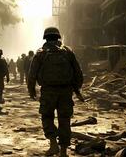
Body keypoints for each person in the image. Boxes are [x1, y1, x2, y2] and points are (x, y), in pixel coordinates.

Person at [28, 27, 84, 157]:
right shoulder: (67, 52)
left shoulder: (41, 53)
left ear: (45, 38)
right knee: (64, 120)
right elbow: (78, 72)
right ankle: (63, 151)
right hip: (65, 91)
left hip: (48, 91)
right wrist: (76, 89)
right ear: (58, 37)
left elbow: (32, 75)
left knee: (47, 117)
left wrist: (32, 90)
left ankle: (53, 144)